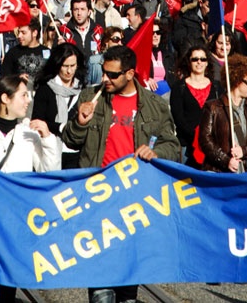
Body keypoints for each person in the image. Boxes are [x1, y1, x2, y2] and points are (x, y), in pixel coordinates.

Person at [62, 45, 180, 303]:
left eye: (112, 75)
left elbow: (172, 145)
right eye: (104, 72)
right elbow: (70, 140)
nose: (105, 79)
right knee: (100, 275)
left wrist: (156, 152)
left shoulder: (154, 105)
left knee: (129, 275)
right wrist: (80, 122)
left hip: (133, 197)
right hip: (97, 195)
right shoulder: (91, 95)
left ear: (130, 74)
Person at [0, 74, 60, 303]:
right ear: (5, 98)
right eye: (24, 95)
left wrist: (47, 139)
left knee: (8, 286)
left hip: (17, 221)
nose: (28, 101)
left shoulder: (28, 133)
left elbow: (48, 171)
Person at [199, 54, 247, 173]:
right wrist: (225, 160)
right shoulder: (213, 107)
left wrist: (244, 151)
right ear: (236, 80)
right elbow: (205, 140)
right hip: (220, 172)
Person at [32, 42, 85, 168]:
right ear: (57, 65)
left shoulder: (82, 89)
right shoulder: (46, 88)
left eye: (73, 65)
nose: (69, 71)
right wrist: (61, 127)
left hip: (76, 151)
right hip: (52, 150)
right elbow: (38, 120)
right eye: (65, 66)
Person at [170, 43, 220, 166]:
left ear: (207, 62)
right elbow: (178, 118)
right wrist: (196, 136)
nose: (199, 62)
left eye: (203, 59)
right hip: (187, 145)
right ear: (189, 62)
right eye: (195, 59)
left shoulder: (217, 87)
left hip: (213, 145)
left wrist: (208, 139)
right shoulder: (179, 87)